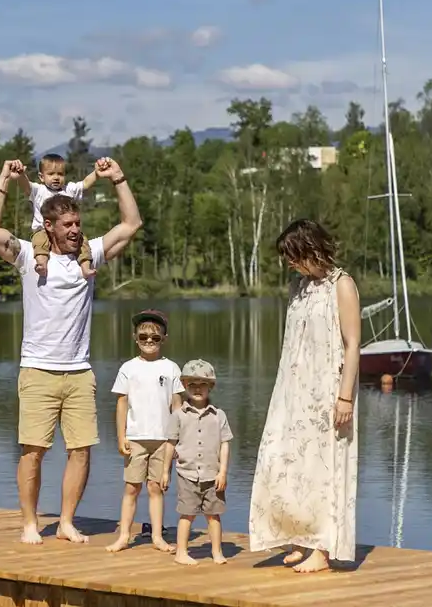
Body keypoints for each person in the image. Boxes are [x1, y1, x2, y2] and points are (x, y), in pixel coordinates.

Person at [0, 156, 142, 545]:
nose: (75, 231)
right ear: (48, 227)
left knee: (81, 451)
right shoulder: (27, 257)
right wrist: (4, 177)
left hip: (79, 371)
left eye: (78, 224)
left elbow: (131, 225)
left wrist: (118, 177)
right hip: (37, 370)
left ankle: (67, 522)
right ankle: (30, 524)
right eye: (67, 225)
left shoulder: (90, 256)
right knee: (32, 452)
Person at [248, 218, 360, 573]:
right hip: (293, 390)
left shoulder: (341, 285)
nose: (289, 264)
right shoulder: (298, 286)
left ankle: (323, 549)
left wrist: (345, 397)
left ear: (311, 249)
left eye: (293, 256)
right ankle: (298, 536)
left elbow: (353, 344)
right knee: (284, 460)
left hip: (326, 391)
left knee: (321, 466)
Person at [105, 310, 184, 554]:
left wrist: (178, 441)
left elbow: (177, 406)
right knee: (131, 487)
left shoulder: (170, 368)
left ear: (164, 339)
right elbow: (121, 404)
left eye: (155, 338)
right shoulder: (128, 368)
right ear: (135, 338)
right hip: (136, 438)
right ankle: (124, 536)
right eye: (144, 337)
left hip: (163, 440)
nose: (149, 341)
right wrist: (121, 436)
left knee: (155, 488)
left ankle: (158, 537)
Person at [166, 359, 232, 566]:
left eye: (202, 384)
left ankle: (216, 551)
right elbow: (170, 443)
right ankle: (181, 552)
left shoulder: (219, 415)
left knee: (214, 516)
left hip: (213, 475)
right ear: (185, 386)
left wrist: (223, 472)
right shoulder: (178, 415)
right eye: (192, 384)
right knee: (187, 514)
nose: (197, 388)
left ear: (210, 386)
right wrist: (165, 472)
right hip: (187, 474)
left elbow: (225, 444)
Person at [13, 153, 99, 279]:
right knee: (40, 242)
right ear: (41, 177)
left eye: (60, 174)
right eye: (51, 174)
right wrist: (20, 175)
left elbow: (85, 183)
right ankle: (42, 264)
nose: (56, 178)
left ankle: (86, 268)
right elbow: (26, 185)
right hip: (42, 230)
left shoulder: (69, 189)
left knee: (83, 243)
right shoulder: (39, 191)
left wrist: (97, 173)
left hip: (66, 232)